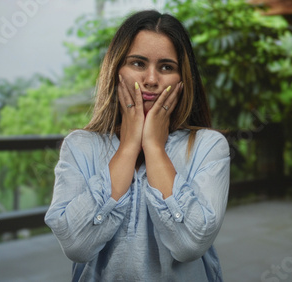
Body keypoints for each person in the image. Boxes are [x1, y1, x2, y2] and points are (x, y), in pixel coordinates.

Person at [45, 10, 230, 281]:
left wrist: (154, 147)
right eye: (138, 63)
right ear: (116, 69)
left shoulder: (207, 146)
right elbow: (76, 245)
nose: (151, 80)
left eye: (167, 67)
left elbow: (190, 244)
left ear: (182, 78)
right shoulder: (80, 146)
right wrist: (129, 146)